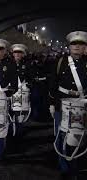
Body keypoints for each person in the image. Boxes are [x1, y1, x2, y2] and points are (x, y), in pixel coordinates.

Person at [49, 31, 87, 179]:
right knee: (62, 136)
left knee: (79, 135)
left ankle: (76, 164)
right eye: (74, 43)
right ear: (69, 46)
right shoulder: (60, 62)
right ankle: (65, 167)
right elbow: (52, 85)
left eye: (81, 44)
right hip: (62, 104)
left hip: (81, 105)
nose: (77, 46)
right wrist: (52, 104)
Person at [10, 44, 32, 137]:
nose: (17, 54)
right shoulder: (8, 64)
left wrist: (28, 85)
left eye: (20, 52)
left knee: (21, 114)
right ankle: (11, 132)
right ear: (13, 54)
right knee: (11, 113)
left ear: (23, 54)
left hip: (23, 92)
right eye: (15, 52)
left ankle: (19, 132)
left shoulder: (27, 65)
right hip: (11, 92)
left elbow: (31, 77)